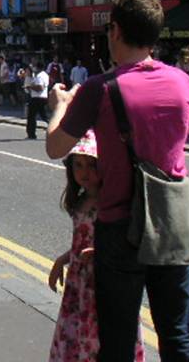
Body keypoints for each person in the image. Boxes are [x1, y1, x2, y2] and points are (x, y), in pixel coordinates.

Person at [46, 0, 189, 361]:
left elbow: (56, 147)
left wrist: (60, 106)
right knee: (179, 336)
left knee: (116, 341)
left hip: (120, 227)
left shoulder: (97, 89)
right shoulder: (181, 81)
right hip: (169, 220)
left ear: (115, 30)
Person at [48, 132, 144, 362]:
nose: (84, 172)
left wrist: (101, 253)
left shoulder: (110, 204)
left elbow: (128, 242)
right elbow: (81, 243)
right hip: (79, 285)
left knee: (101, 339)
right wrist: (63, 259)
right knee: (77, 335)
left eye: (92, 165)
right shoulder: (80, 201)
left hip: (105, 283)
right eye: (78, 165)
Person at [25, 61, 49, 140]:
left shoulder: (39, 76)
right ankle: (55, 128)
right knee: (44, 116)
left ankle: (31, 134)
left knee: (31, 116)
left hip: (37, 98)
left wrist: (30, 87)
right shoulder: (45, 75)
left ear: (38, 68)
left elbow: (40, 87)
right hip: (42, 97)